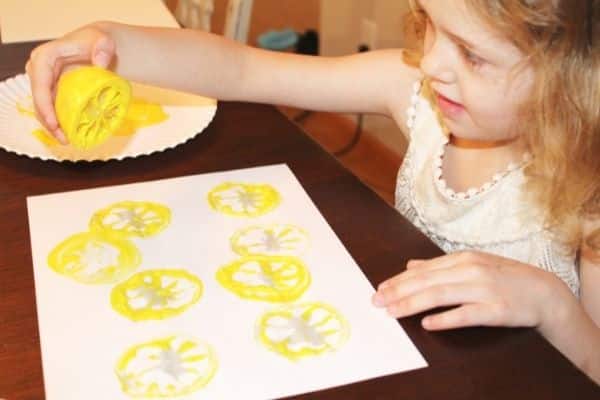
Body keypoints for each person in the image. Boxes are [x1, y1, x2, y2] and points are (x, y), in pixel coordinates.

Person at [26, 0, 599, 384]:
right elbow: (247, 71)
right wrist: (110, 44)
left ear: (576, 72)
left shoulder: (589, 191)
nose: (431, 63)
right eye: (428, 22)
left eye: (472, 54)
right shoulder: (418, 94)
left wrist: (552, 305)